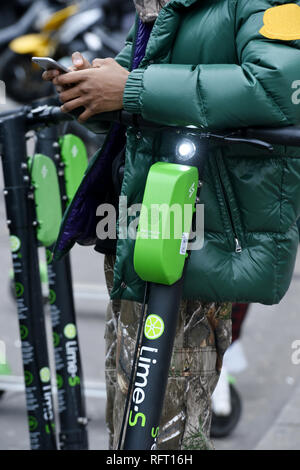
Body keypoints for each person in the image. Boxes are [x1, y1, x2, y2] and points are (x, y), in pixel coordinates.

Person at [43, 0, 300, 450]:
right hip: (144, 227)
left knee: (168, 433)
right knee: (131, 423)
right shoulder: (163, 4)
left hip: (202, 234)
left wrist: (131, 88)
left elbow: (279, 85)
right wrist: (88, 86)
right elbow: (131, 89)